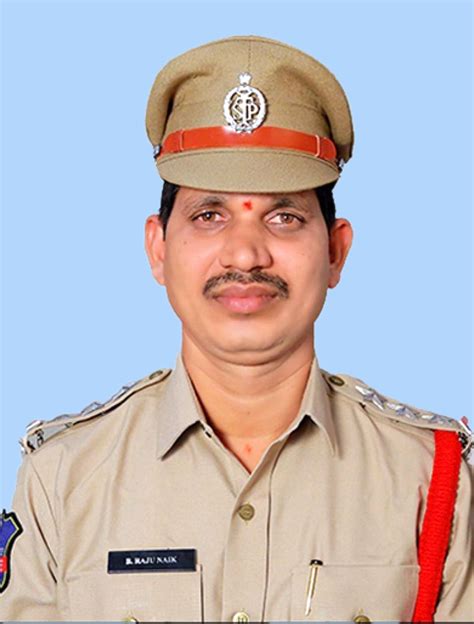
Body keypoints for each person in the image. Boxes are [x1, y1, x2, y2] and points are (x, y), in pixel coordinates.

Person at [0, 35, 472, 622]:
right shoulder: (61, 478)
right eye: (208, 215)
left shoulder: (433, 478)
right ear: (158, 248)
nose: (245, 254)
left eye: (284, 216)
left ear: (335, 251)